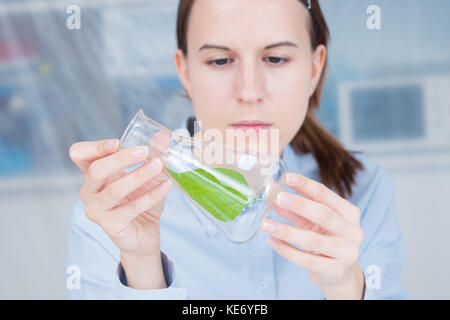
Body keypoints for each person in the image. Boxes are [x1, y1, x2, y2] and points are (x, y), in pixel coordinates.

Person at [66, 0, 409, 299]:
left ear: (314, 68)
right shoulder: (114, 209)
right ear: (184, 71)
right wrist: (142, 266)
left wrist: (347, 289)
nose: (248, 91)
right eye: (219, 61)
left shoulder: (363, 190)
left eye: (275, 58)